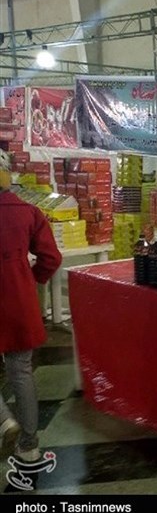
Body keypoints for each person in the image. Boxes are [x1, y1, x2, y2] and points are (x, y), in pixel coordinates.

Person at [0, 150, 63, 462]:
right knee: (21, 372)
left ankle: (4, 420)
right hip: (19, 303)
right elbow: (52, 258)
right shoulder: (29, 212)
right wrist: (30, 279)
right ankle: (29, 445)